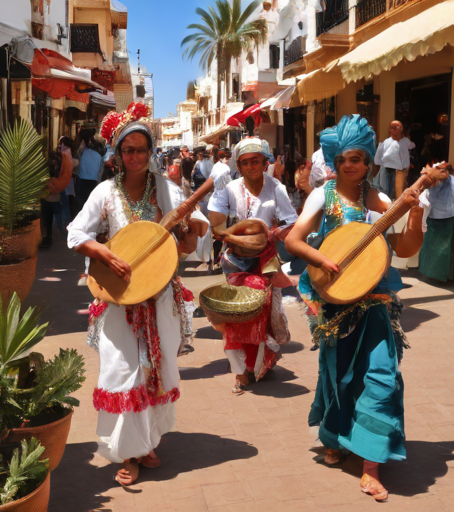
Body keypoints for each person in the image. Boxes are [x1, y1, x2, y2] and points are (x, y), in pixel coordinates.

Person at [285, 114, 442, 502]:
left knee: (381, 378)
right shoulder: (323, 195)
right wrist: (321, 260)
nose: (351, 165)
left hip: (376, 306)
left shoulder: (380, 200)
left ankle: (371, 466)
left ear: (369, 161)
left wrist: (417, 211)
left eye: (358, 158)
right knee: (338, 377)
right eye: (344, 160)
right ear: (335, 163)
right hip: (337, 304)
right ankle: (336, 437)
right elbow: (293, 240)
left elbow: (404, 250)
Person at [67, 101, 205, 486]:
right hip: (118, 301)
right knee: (122, 372)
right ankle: (126, 452)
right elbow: (75, 234)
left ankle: (144, 443)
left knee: (154, 370)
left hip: (159, 297)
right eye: (128, 150)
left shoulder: (166, 190)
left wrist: (190, 232)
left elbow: (194, 234)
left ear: (151, 152)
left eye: (142, 149)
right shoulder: (105, 194)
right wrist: (103, 251)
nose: (136, 156)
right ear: (117, 154)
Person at [208, 136, 298, 393]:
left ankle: (255, 365)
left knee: (262, 313)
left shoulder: (276, 187)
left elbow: (291, 221)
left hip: (266, 260)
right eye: (245, 162)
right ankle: (241, 370)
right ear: (239, 165)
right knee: (236, 314)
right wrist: (231, 233)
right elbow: (215, 224)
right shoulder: (230, 187)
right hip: (236, 260)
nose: (251, 167)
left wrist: (271, 234)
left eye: (255, 161)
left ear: (265, 162)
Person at [418, 169, 454, 281]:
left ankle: (442, 275)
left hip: (446, 218)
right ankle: (444, 275)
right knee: (444, 246)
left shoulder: (448, 181)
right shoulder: (449, 181)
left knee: (443, 247)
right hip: (443, 216)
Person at [40, 136, 73, 248]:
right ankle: (64, 236)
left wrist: (47, 182)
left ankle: (50, 238)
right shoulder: (66, 157)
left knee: (51, 217)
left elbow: (54, 174)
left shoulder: (58, 159)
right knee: (59, 215)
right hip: (59, 190)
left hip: (51, 193)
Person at [372, 120, 415, 200]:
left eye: (396, 127)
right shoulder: (385, 143)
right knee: (385, 194)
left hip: (401, 171)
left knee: (399, 194)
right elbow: (377, 161)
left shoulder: (406, 141)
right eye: (392, 127)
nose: (394, 129)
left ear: (401, 128)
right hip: (386, 170)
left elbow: (412, 146)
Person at [76, 133, 103, 210]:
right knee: (91, 203)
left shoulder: (82, 153)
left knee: (81, 203)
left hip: (82, 180)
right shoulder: (99, 156)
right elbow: (100, 172)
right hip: (93, 182)